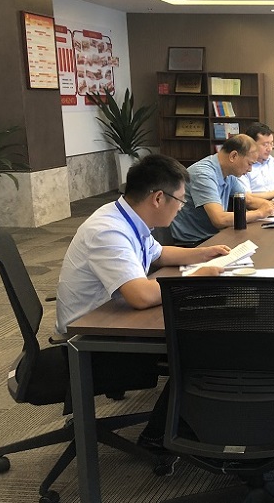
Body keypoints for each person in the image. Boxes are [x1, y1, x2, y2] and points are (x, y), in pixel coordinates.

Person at [56, 154, 229, 449]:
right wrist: (198, 276)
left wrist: (205, 253)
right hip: (90, 340)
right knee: (203, 343)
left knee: (205, 324)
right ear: (158, 198)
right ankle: (158, 436)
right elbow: (141, 296)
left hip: (112, 319)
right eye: (181, 200)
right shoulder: (109, 230)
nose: (182, 207)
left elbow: (158, 254)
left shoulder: (127, 216)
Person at [170, 134, 274, 244]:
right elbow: (219, 219)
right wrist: (260, 213)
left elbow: (248, 199)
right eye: (249, 164)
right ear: (233, 156)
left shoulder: (228, 172)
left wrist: (273, 207)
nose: (250, 169)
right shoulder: (203, 174)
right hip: (195, 242)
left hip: (213, 236)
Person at [238, 123, 274, 200]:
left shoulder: (271, 161)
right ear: (251, 145)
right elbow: (246, 197)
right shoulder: (243, 166)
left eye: (271, 144)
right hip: (257, 205)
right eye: (265, 144)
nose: (270, 149)